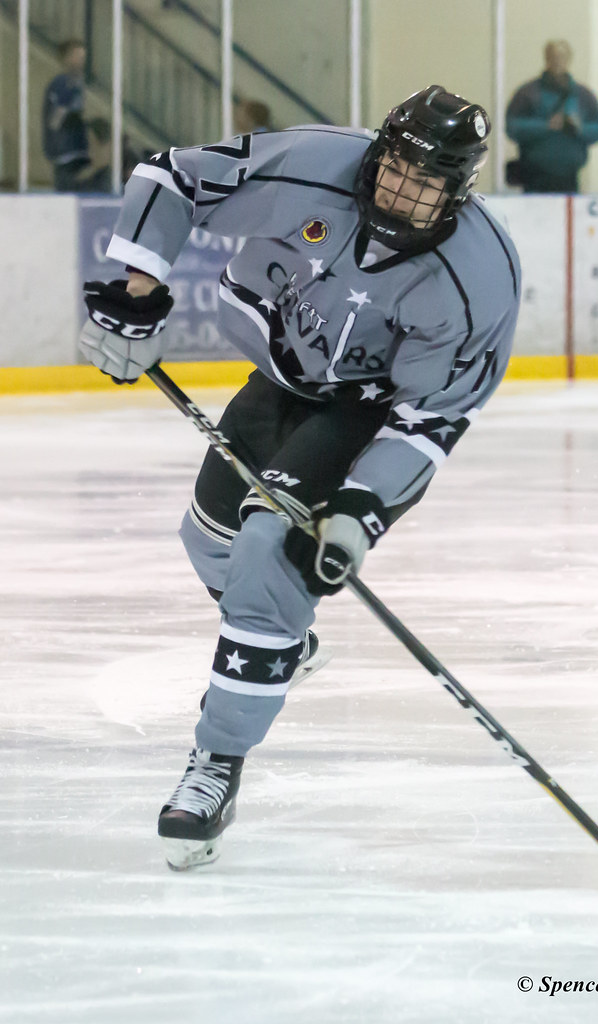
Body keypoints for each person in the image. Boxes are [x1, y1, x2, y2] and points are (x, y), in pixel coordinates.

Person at [78, 84, 521, 871]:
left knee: (267, 554)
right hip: (278, 382)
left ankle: (215, 765)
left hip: (362, 413)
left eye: (425, 182)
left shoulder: (478, 276)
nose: (400, 190)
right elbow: (172, 177)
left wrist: (360, 510)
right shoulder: (315, 163)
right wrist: (137, 296)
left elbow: (431, 418)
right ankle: (287, 641)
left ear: (456, 190)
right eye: (395, 168)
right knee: (207, 539)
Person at [505, 39, 598, 193]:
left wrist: (579, 127)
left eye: (562, 57)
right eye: (554, 57)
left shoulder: (583, 95)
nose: (558, 61)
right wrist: (545, 126)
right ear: (546, 58)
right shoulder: (528, 93)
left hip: (570, 177)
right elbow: (512, 127)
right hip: (533, 177)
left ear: (569, 59)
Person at [42, 39, 89, 192]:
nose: (81, 61)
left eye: (82, 57)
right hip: (66, 155)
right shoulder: (62, 83)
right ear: (66, 58)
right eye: (77, 56)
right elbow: (55, 121)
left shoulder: (76, 83)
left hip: (76, 153)